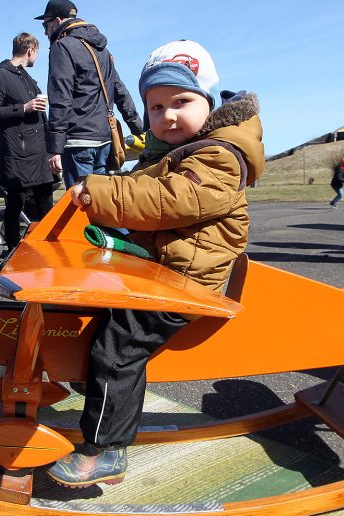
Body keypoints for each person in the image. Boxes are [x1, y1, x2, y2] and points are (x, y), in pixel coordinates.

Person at [46, 40, 265, 488]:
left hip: (187, 284)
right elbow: (140, 186)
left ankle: (106, 448)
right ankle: (98, 388)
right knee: (94, 311)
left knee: (119, 346)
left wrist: (101, 192)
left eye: (181, 102)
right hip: (163, 272)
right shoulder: (176, 152)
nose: (167, 116)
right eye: (155, 107)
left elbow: (171, 200)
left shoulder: (219, 156)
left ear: (208, 102)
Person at [37, 0, 145, 187]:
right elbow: (120, 91)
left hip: (78, 142)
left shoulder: (62, 47)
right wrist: (139, 130)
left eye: (45, 26)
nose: (45, 32)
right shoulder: (101, 50)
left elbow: (60, 98)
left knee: (79, 207)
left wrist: (54, 148)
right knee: (98, 204)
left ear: (57, 22)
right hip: (104, 140)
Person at [0, 33, 55, 251]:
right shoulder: (1, 74)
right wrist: (24, 108)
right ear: (30, 50)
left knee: (45, 202)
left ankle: (47, 248)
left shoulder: (26, 77)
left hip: (38, 152)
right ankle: (13, 248)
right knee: (16, 201)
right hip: (18, 153)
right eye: (37, 53)